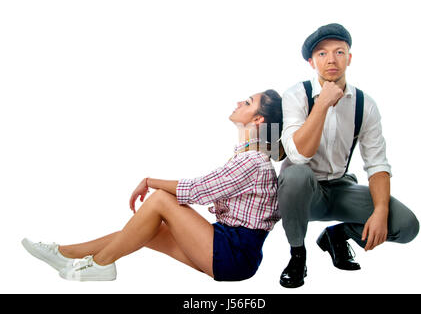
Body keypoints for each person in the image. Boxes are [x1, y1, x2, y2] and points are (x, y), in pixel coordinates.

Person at [22, 89, 285, 282]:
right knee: (145, 231)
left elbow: (196, 191)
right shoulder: (247, 155)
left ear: (259, 120)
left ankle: (102, 263)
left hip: (233, 255)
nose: (240, 101)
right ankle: (63, 253)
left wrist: (149, 181)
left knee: (161, 199)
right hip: (228, 248)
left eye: (249, 102)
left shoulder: (254, 160)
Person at [278, 23, 420, 288]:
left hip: (341, 188)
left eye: (339, 52)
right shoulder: (296, 95)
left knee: (406, 225)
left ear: (349, 57)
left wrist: (380, 210)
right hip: (303, 195)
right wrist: (321, 104)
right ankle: (298, 254)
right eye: (322, 54)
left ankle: (338, 235)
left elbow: (377, 163)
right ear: (311, 62)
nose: (331, 59)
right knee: (296, 174)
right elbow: (297, 156)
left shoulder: (365, 104)